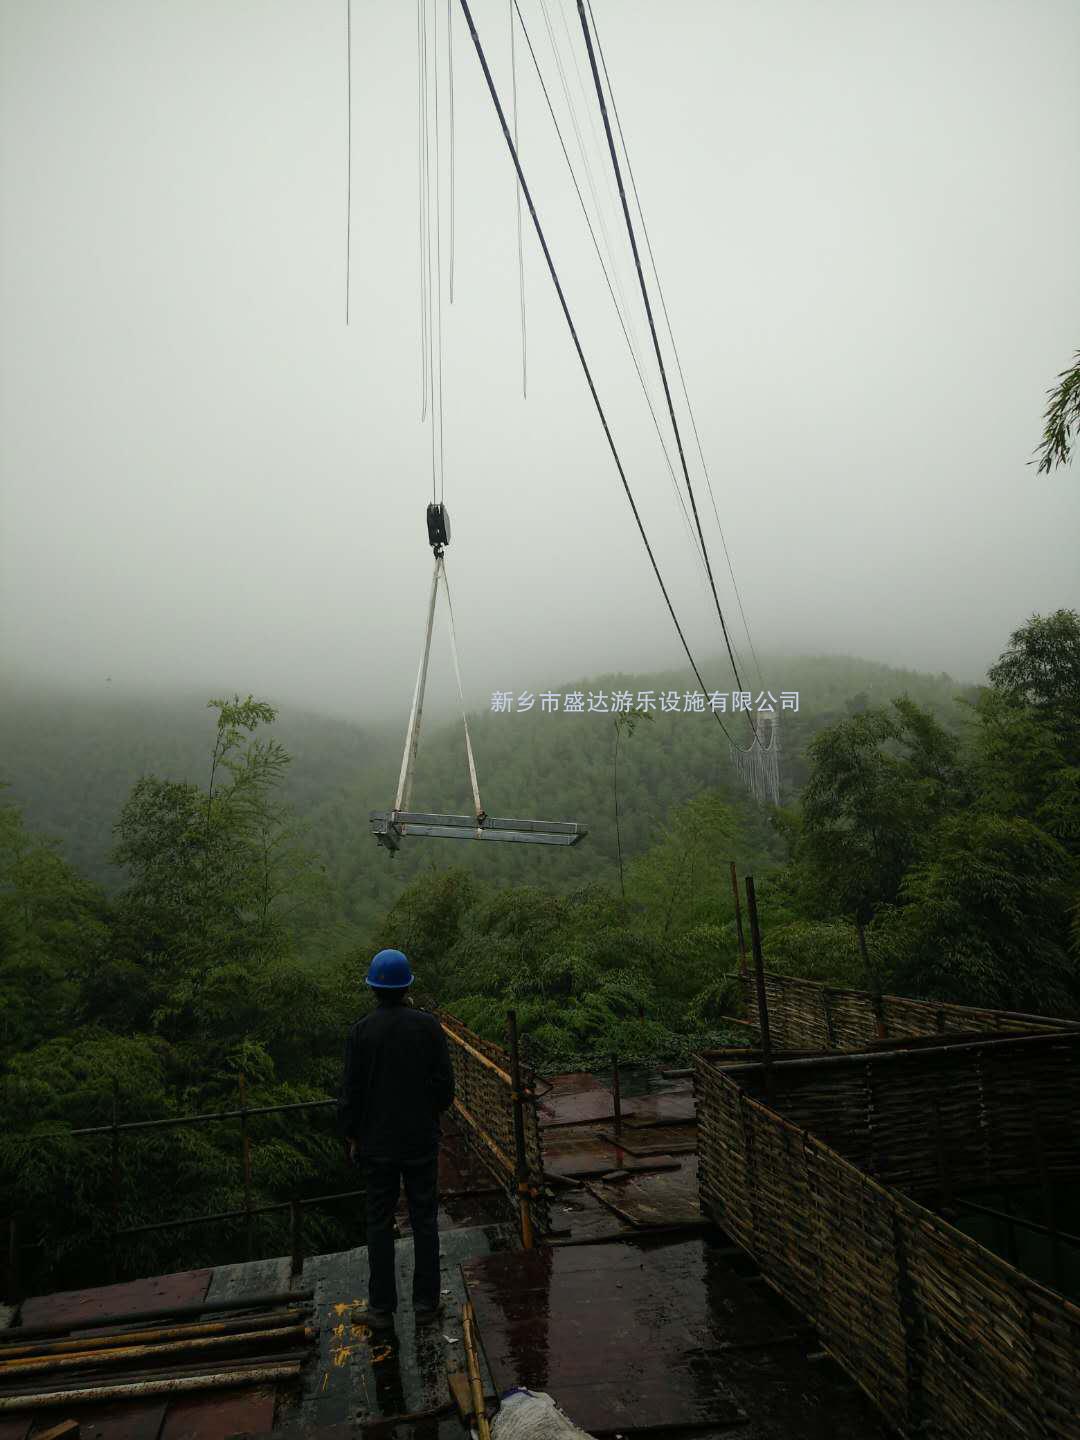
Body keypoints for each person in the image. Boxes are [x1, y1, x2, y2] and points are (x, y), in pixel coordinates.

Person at [338, 948, 455, 1331]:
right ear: (406, 986)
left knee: (379, 1222)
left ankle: (381, 1308)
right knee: (424, 1220)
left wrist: (352, 1135)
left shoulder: (360, 1032)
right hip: (420, 1140)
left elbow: (351, 1093)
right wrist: (429, 1114)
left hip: (377, 1145)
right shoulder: (428, 1027)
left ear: (373, 988)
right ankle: (426, 1304)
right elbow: (445, 1089)